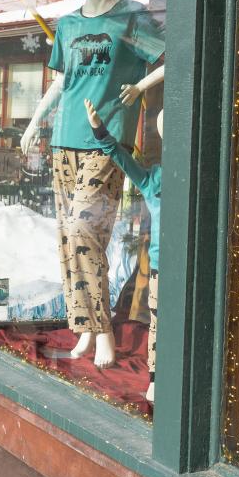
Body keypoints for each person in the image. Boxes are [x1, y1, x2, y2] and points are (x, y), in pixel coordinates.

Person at [21, 0, 165, 368]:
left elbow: (174, 57)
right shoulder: (66, 25)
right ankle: (85, 329)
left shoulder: (130, 17)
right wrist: (34, 122)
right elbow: (62, 83)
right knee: (69, 239)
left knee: (87, 233)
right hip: (65, 139)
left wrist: (140, 87)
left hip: (108, 140)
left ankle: (102, 332)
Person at [85, 100, 162, 400]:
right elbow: (120, 157)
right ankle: (156, 377)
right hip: (159, 265)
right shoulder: (152, 177)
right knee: (158, 323)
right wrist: (99, 130)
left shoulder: (197, 173)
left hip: (190, 267)